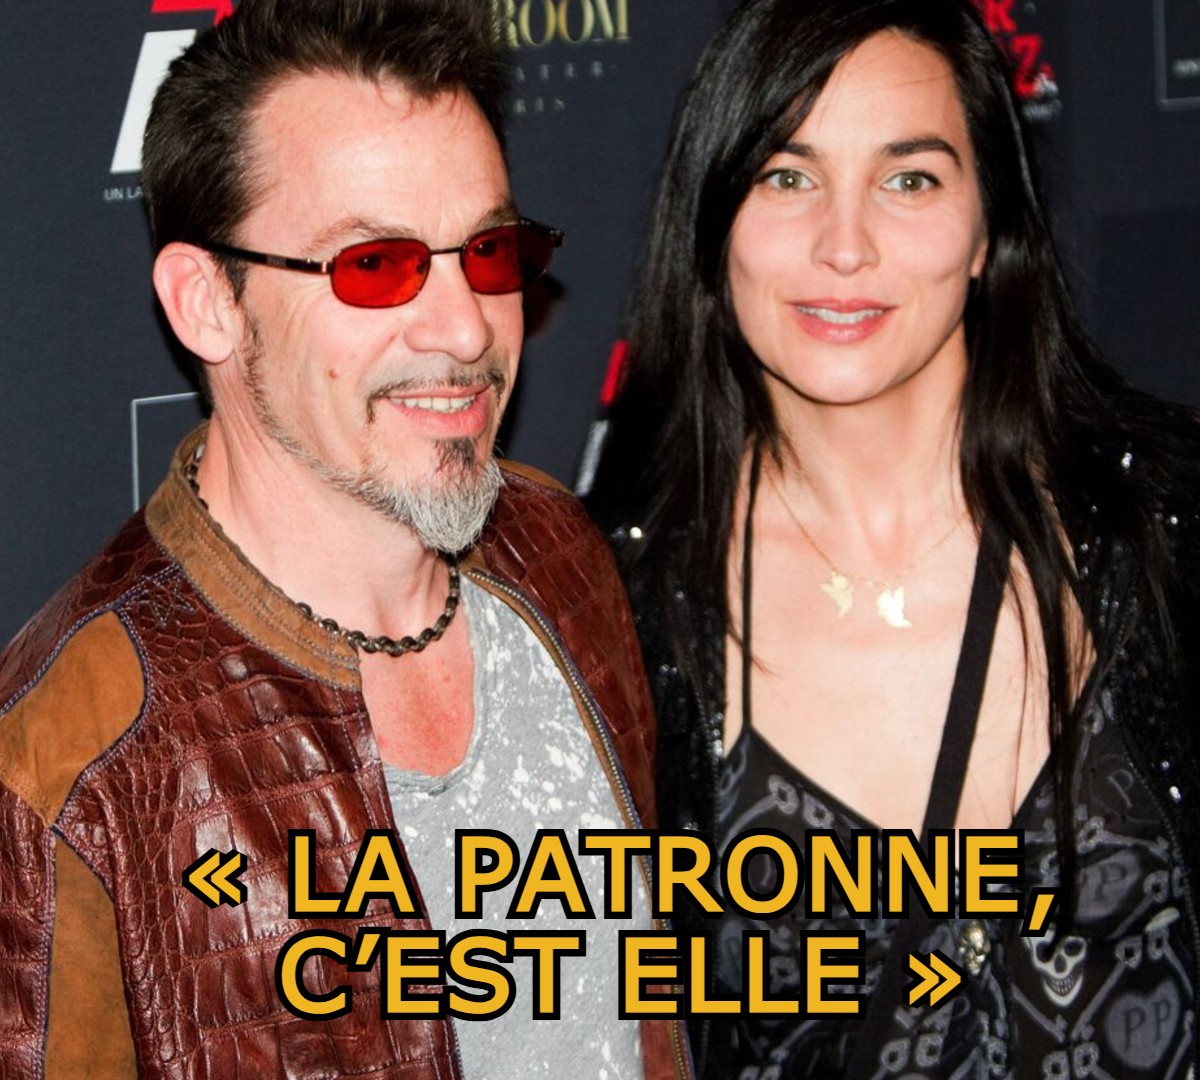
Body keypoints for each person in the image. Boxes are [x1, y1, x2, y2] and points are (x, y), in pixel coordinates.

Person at [0, 2, 690, 1078]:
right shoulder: (69, 766)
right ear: (207, 303)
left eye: (489, 252)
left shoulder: (559, 550)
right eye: (375, 265)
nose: (467, 327)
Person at [587, 0, 1200, 1076]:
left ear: (987, 229)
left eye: (909, 179)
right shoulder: (618, 616)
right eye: (788, 177)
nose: (845, 245)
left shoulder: (1165, 526)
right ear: (713, 219)